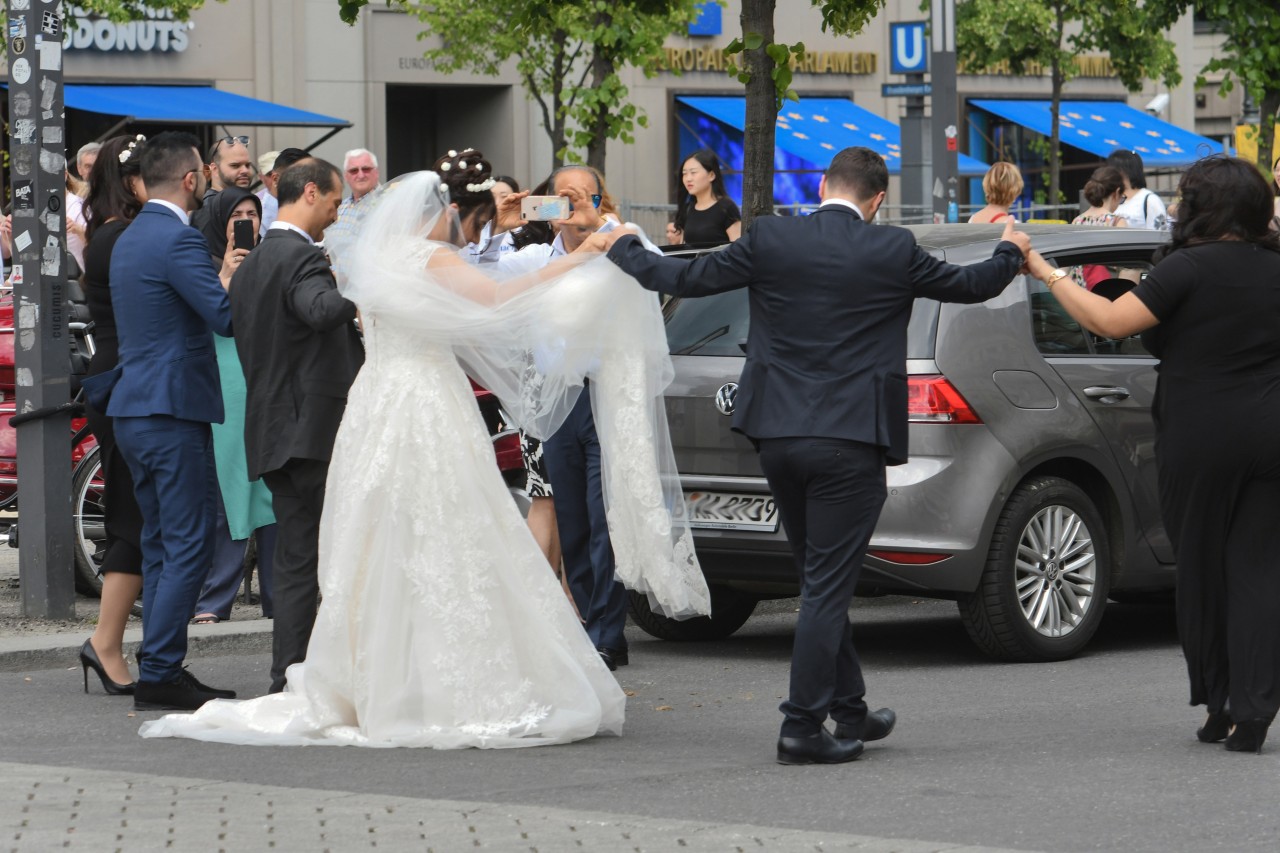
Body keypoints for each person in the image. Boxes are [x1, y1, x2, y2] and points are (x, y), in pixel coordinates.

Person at [137, 169, 708, 748]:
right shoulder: (431, 259)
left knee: (379, 540)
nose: (453, 222)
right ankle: (439, 679)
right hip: (428, 403)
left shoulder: (372, 260)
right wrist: (583, 254)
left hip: (375, 406)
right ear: (433, 214)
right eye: (450, 213)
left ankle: (372, 676)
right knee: (449, 532)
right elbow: (499, 297)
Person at [598, 146, 1029, 765]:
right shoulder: (893, 250)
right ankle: (800, 725)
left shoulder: (772, 239)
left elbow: (683, 278)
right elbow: (974, 284)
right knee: (828, 585)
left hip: (777, 436)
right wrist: (1011, 247)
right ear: (877, 200)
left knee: (819, 576)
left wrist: (619, 243)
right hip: (849, 441)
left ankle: (849, 708)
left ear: (824, 184)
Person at [1023, 155, 1280, 755]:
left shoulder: (1186, 268)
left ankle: (1219, 702)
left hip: (1200, 432)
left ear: (1203, 206)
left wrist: (1045, 270)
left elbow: (1111, 323)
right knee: (1259, 570)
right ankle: (1255, 707)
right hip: (1270, 430)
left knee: (1200, 564)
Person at [79, 131, 245, 712]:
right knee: (187, 544)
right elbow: (224, 317)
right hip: (171, 410)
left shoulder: (125, 238)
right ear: (195, 178)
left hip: (133, 409)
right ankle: (162, 672)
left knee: (157, 542)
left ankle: (158, 668)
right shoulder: (176, 240)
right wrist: (238, 275)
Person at [495, 165, 663, 671]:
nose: (568, 206)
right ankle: (592, 621)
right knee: (571, 520)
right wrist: (497, 224)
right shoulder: (530, 257)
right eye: (558, 198)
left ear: (597, 197)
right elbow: (476, 273)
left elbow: (654, 265)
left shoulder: (621, 242)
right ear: (544, 207)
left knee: (602, 519)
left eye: (578, 196)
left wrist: (603, 223)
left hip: (604, 398)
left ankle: (608, 634)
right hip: (556, 402)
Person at [226, 158, 362, 694]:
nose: (336, 210)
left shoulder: (251, 264)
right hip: (315, 430)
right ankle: (325, 674)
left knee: (297, 561)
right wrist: (357, 290)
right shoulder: (303, 259)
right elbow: (321, 310)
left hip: (272, 432)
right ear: (310, 192)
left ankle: (289, 676)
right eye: (333, 200)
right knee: (338, 554)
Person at [77, 134, 149, 695]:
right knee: (131, 516)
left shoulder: (115, 232)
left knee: (137, 514)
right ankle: (105, 642)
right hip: (124, 378)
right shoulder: (118, 236)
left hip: (124, 375)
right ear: (130, 181)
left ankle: (107, 641)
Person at [192, 188, 278, 625]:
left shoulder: (273, 258)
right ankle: (215, 598)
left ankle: (279, 599)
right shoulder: (202, 262)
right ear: (219, 220)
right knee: (229, 485)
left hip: (266, 380)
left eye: (252, 213)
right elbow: (207, 315)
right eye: (236, 214)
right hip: (226, 381)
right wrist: (226, 274)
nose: (245, 221)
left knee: (270, 486)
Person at [670, 149, 741, 245]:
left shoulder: (727, 208)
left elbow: (737, 249)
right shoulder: (687, 209)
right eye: (684, 174)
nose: (688, 178)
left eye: (693, 172)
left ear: (711, 175)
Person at [1107, 149, 1168, 230]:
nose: (1107, 173)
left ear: (1124, 170)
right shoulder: (1109, 198)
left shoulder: (1150, 200)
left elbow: (1161, 234)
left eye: (1113, 169)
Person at [255, 150, 281, 232]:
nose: (275, 178)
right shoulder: (256, 203)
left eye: (279, 172)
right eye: (270, 174)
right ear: (261, 177)